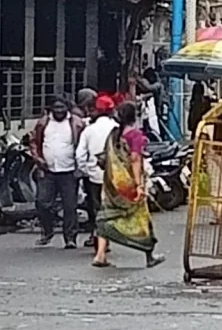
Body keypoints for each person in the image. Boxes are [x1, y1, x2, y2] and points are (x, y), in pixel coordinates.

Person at [92, 101, 165, 269]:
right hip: (129, 184)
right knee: (141, 218)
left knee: (106, 216)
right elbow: (135, 159)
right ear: (135, 116)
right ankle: (149, 256)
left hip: (112, 184)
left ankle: (100, 254)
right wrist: (139, 185)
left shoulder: (113, 134)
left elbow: (105, 158)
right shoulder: (135, 135)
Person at [30, 95, 85, 249]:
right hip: (48, 170)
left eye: (62, 108)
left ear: (67, 108)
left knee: (70, 206)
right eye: (56, 108)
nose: (59, 111)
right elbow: (34, 142)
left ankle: (70, 238)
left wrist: (80, 166)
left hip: (69, 170)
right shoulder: (43, 123)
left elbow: (83, 144)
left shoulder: (77, 123)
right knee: (42, 203)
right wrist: (38, 159)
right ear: (51, 109)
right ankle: (47, 231)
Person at [76, 95, 119, 248]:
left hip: (94, 176)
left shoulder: (89, 130)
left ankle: (97, 236)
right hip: (114, 176)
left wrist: (86, 170)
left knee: (96, 207)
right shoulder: (117, 129)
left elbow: (79, 155)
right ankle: (105, 239)